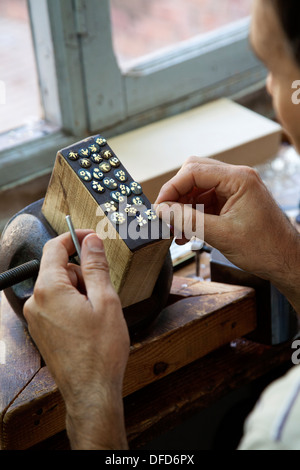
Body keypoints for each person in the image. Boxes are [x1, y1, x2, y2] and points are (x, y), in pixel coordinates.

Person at [23, 0, 300, 450]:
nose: (271, 89)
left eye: (273, 68)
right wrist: (290, 258)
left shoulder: (282, 428)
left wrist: (92, 401)